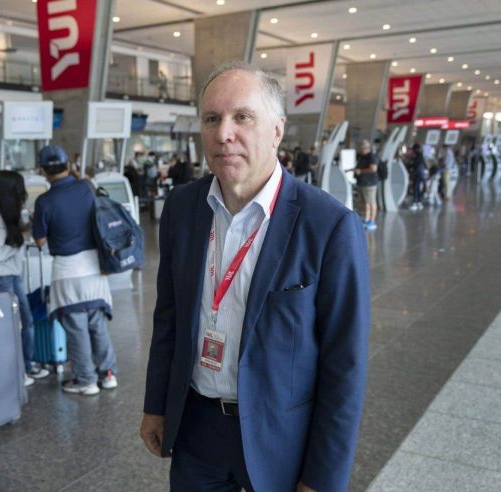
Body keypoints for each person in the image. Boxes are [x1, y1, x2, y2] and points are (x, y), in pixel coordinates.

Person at [140, 62, 370, 492]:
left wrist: (323, 478)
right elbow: (167, 318)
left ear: (277, 131)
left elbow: (345, 365)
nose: (223, 133)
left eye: (242, 117)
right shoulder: (183, 209)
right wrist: (156, 405)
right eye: (212, 118)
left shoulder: (329, 225)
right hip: (197, 427)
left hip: (281, 435)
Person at [32, 145, 118, 396]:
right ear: (68, 165)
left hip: (67, 273)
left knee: (76, 329)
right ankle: (108, 374)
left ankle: (86, 380)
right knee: (97, 325)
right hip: (95, 270)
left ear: (43, 171)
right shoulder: (87, 188)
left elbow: (39, 240)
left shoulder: (44, 201)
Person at [0, 170, 50, 387]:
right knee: (10, 327)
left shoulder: (7, 216)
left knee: (26, 321)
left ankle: (26, 365)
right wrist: (21, 239)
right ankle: (16, 371)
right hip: (0, 277)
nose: (23, 193)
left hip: (12, 274)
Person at [354, 139, 379, 230]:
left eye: (362, 148)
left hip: (370, 183)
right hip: (362, 182)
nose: (360, 149)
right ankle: (366, 219)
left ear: (366, 148)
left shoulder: (372, 156)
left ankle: (372, 220)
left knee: (371, 202)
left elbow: (373, 169)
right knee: (365, 202)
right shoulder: (362, 156)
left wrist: (360, 171)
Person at [410, 143, 427, 211]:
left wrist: (411, 163)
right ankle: (419, 203)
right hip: (421, 174)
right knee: (418, 188)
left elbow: (415, 164)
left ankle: (415, 203)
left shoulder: (418, 155)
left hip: (418, 174)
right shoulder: (421, 155)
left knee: (415, 188)